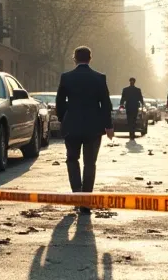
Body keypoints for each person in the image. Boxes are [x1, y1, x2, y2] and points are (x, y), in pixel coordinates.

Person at [55, 46, 114, 215]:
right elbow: (105, 105)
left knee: (72, 160)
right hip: (93, 128)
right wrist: (108, 126)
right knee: (90, 163)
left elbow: (60, 102)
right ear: (90, 58)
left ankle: (77, 194)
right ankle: (86, 201)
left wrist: (63, 118)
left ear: (74, 58)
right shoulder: (99, 78)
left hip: (72, 125)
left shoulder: (66, 78)